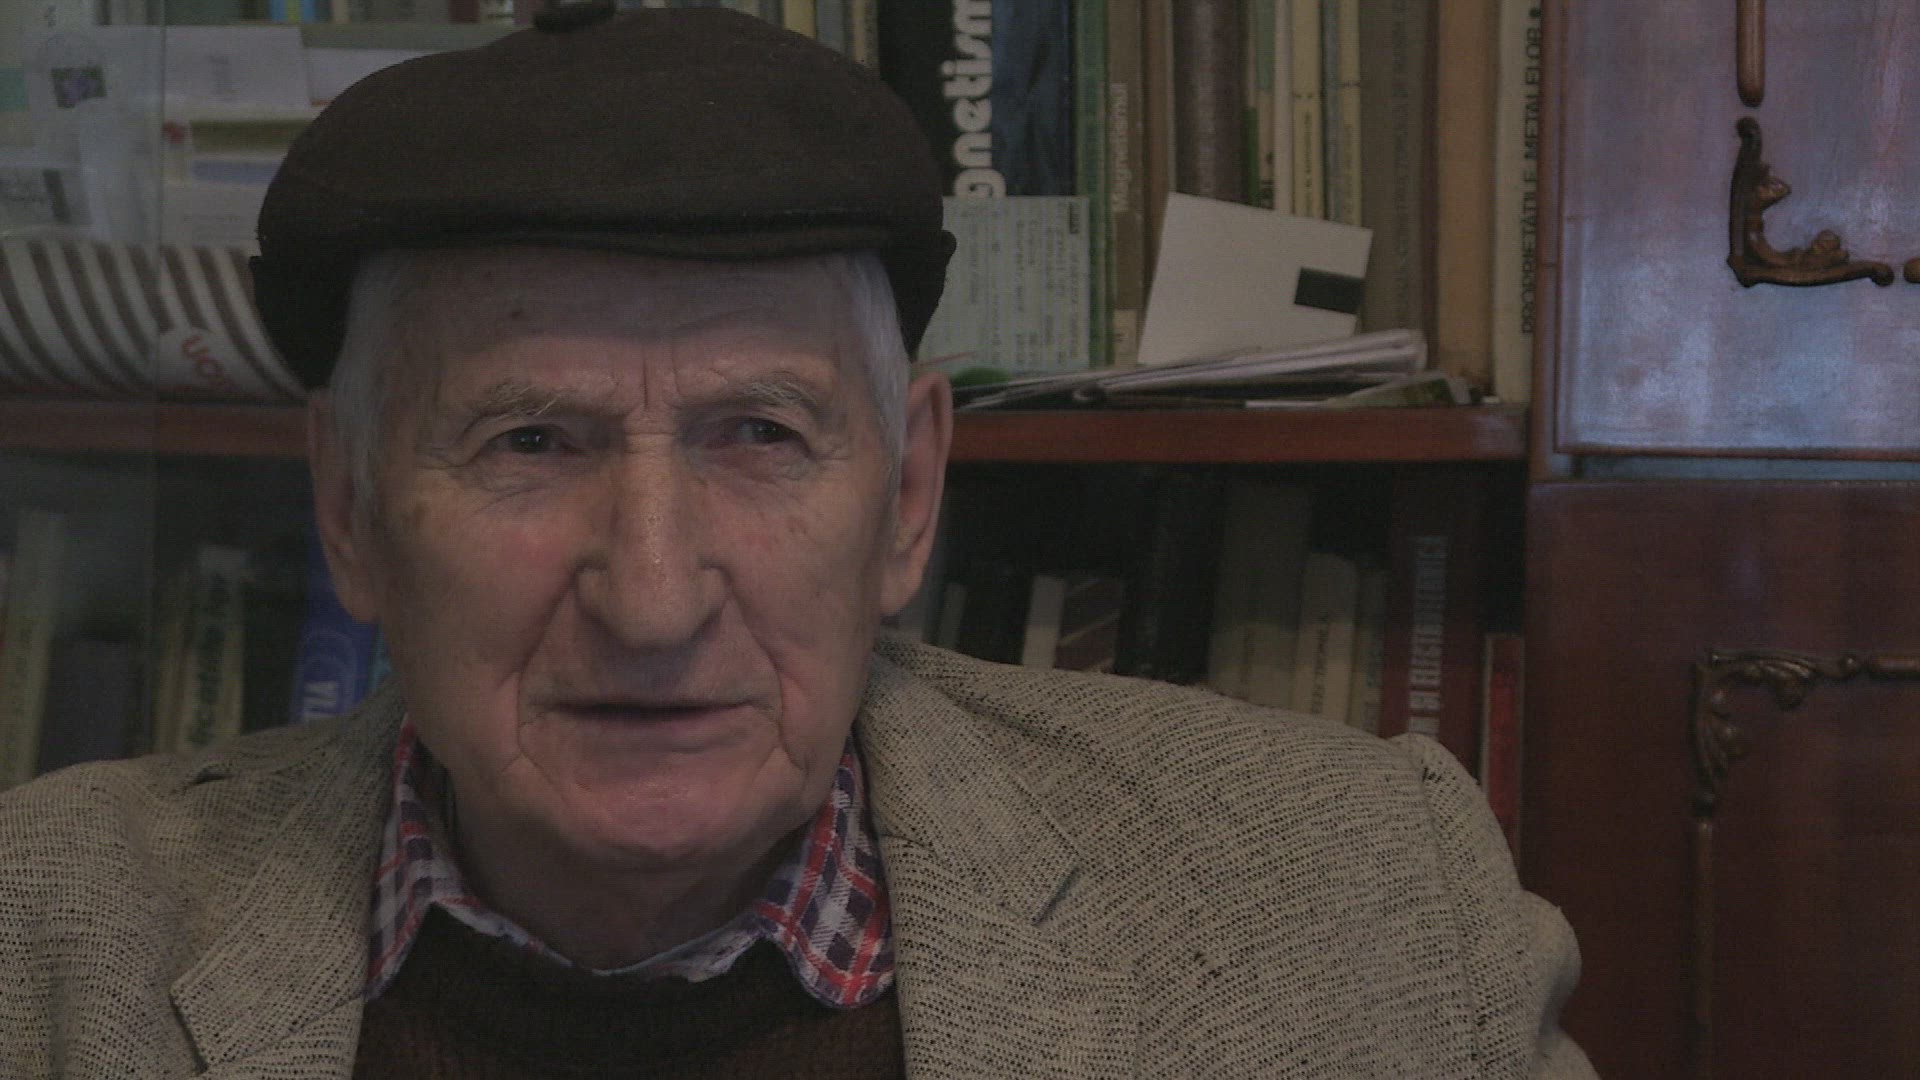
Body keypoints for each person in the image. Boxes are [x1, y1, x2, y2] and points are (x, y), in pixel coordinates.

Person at [0, 4, 1594, 1076]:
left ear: (906, 498)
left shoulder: (1361, 910)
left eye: (759, 435)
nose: (652, 597)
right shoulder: (42, 947)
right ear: (350, 509)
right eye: (529, 443)